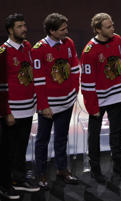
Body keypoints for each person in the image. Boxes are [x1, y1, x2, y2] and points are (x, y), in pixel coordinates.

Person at [80, 13, 121, 183]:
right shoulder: (89, 51)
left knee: (116, 132)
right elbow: (87, 84)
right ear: (98, 29)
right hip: (99, 100)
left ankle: (118, 166)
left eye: (112, 25)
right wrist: (92, 107)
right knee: (94, 136)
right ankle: (95, 169)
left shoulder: (117, 39)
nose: (113, 29)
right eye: (108, 27)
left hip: (118, 95)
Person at [31, 13, 80, 189]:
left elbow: (75, 69)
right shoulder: (38, 49)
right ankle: (41, 173)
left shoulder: (69, 43)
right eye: (62, 29)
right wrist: (43, 106)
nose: (66, 31)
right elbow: (38, 80)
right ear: (52, 31)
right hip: (48, 106)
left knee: (61, 138)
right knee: (42, 140)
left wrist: (75, 92)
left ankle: (62, 169)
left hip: (67, 102)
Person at [0, 13, 40, 198]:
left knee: (21, 147)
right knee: (7, 150)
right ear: (10, 30)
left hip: (28, 108)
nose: (24, 29)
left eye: (24, 25)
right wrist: (6, 112)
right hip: (12, 110)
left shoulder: (27, 46)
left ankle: (18, 178)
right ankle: (4, 184)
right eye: (19, 26)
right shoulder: (3, 52)